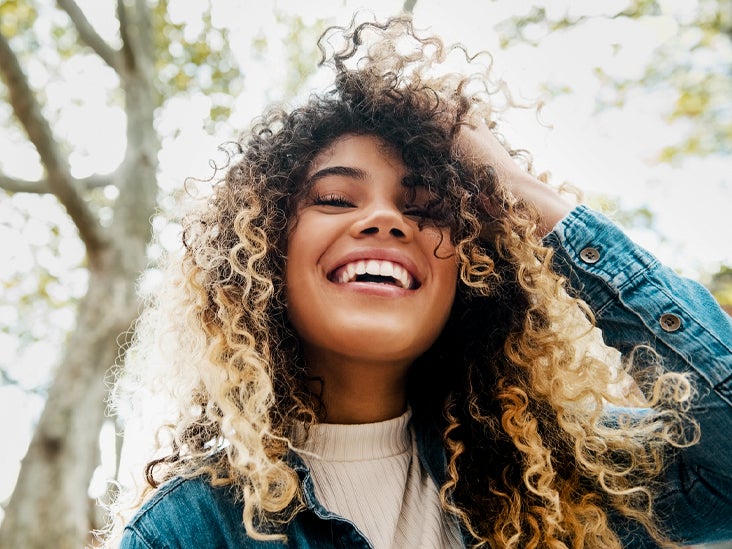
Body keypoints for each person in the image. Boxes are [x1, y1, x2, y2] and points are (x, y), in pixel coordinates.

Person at [105, 16, 732, 549]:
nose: (383, 219)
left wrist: (524, 196)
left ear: (474, 274)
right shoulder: (187, 530)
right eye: (333, 198)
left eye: (426, 206)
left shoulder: (561, 476)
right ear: (264, 255)